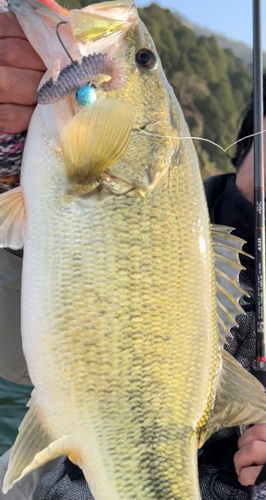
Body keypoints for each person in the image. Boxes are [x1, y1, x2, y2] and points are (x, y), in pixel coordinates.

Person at [1, 8, 266, 500]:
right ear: (252, 132)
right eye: (145, 61)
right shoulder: (170, 205)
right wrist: (10, 165)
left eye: (142, 59)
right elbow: (13, 346)